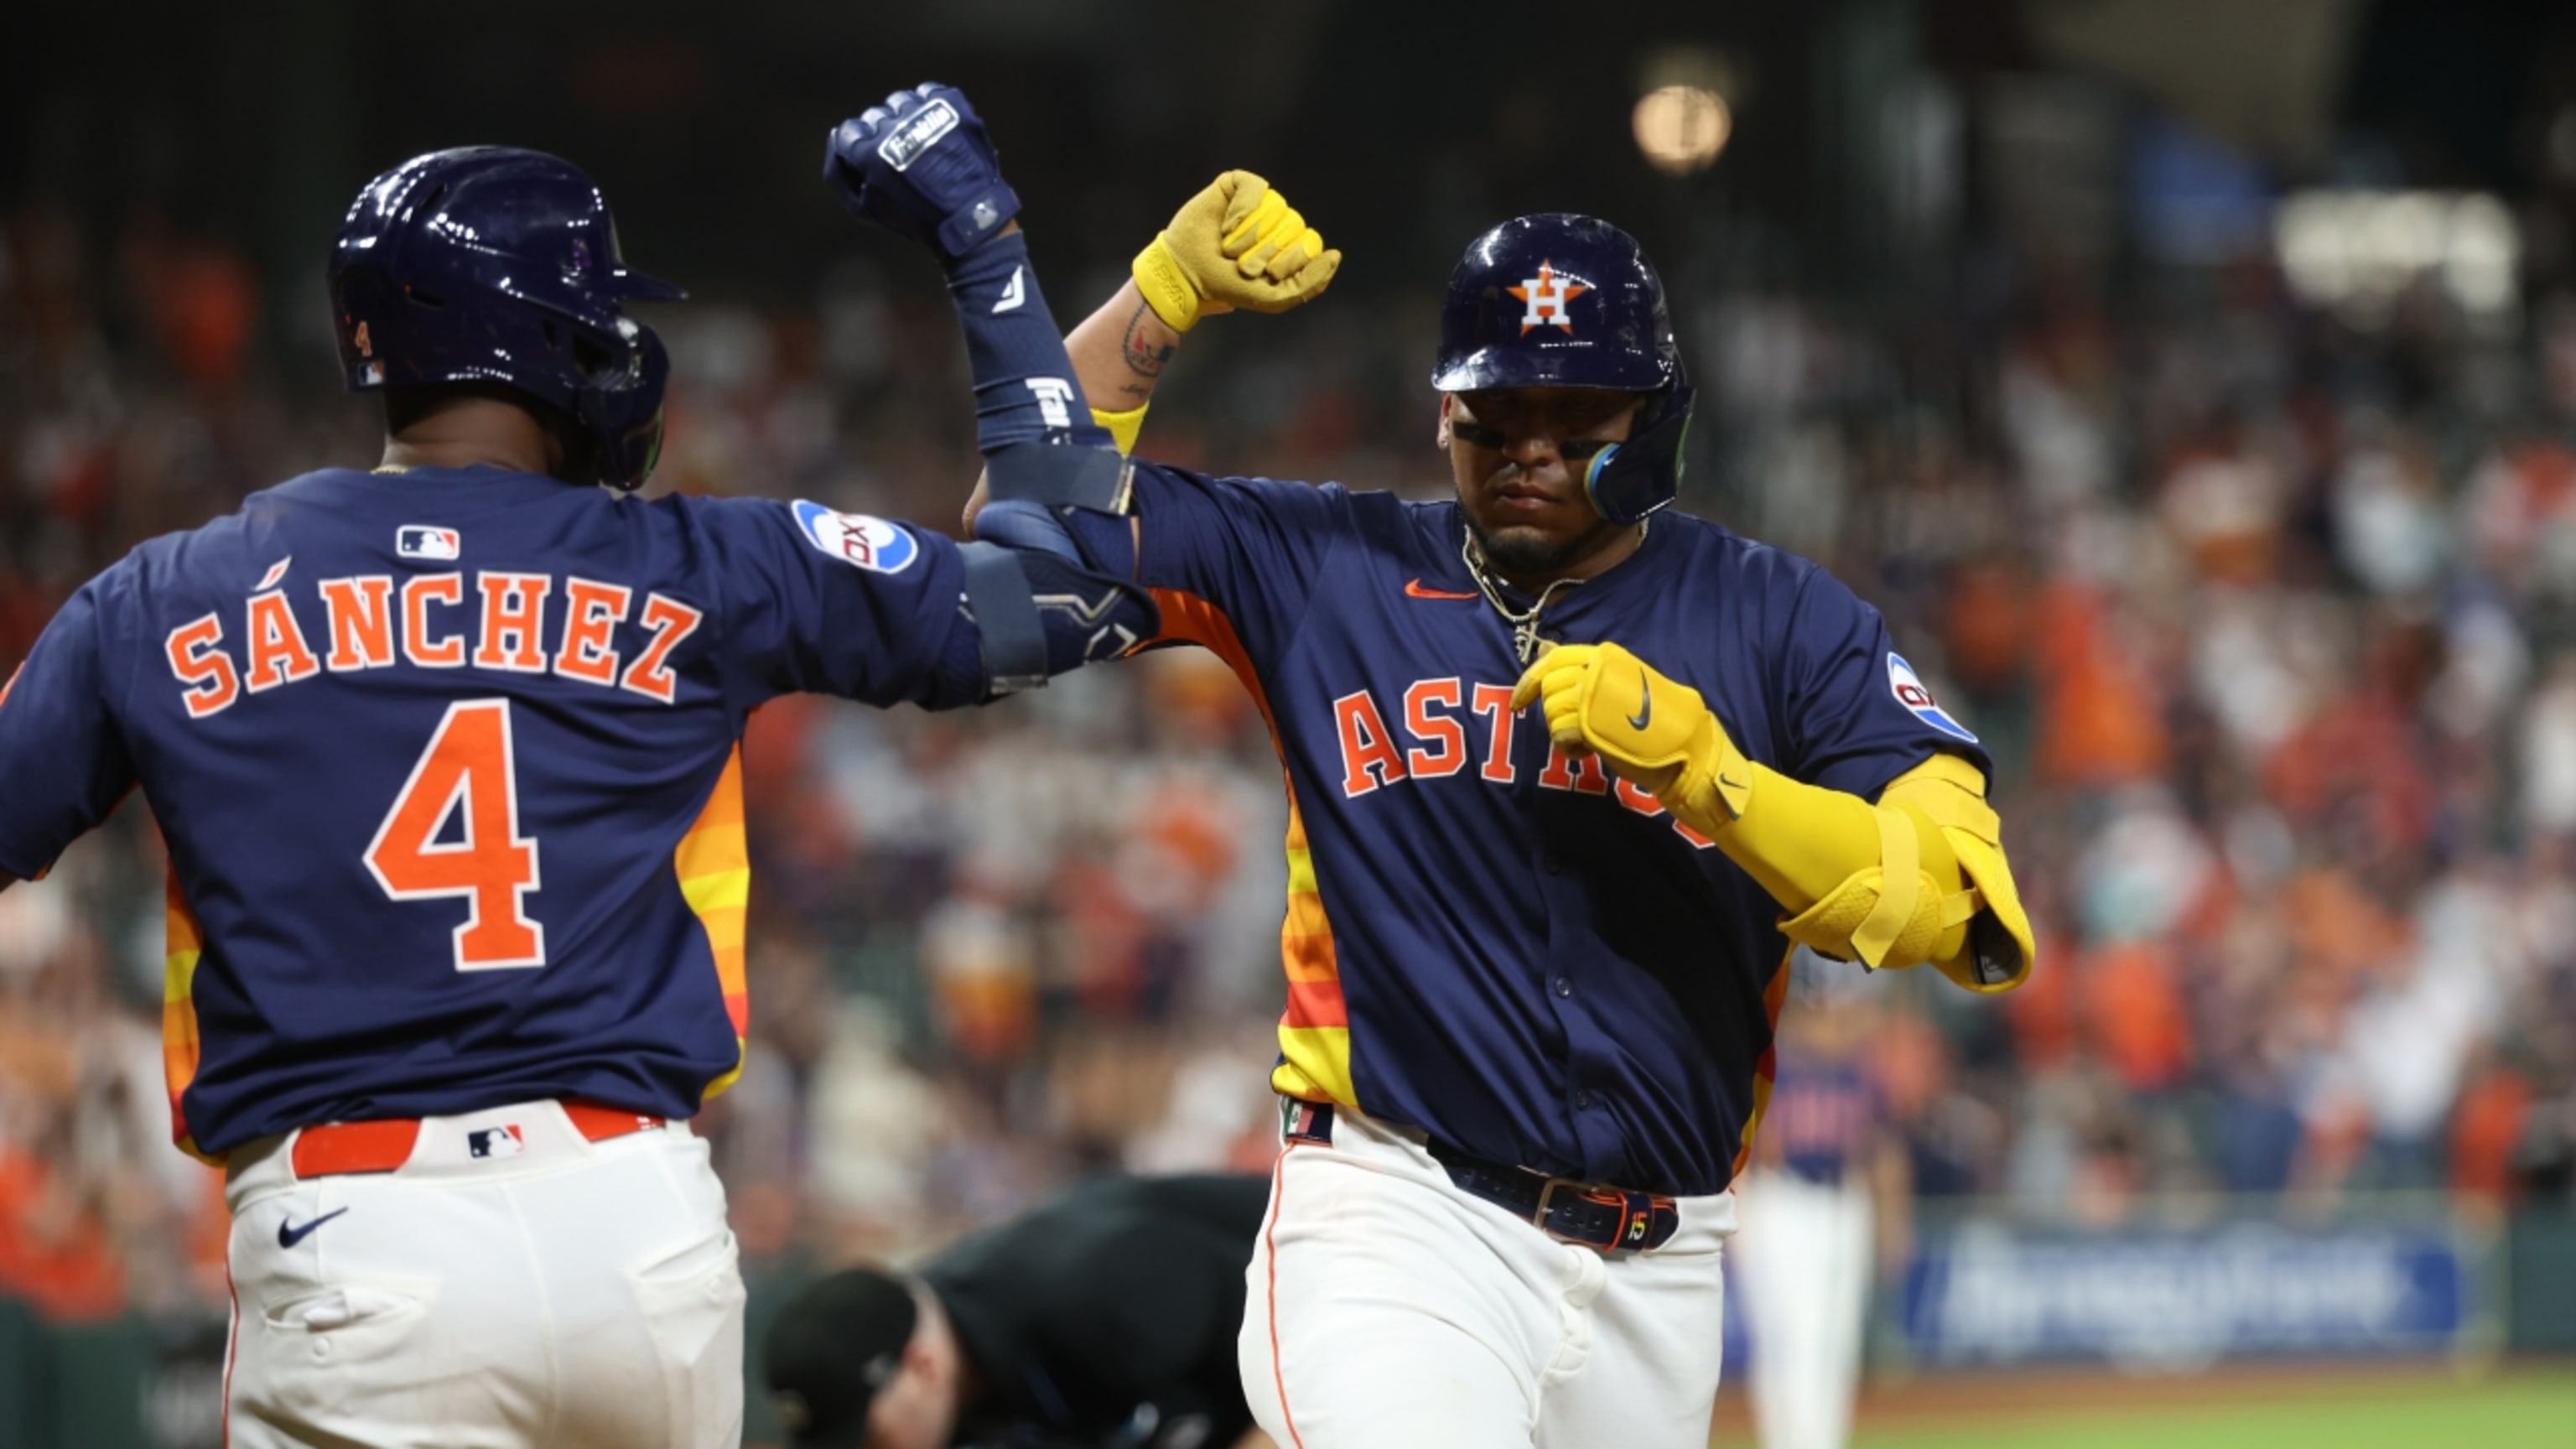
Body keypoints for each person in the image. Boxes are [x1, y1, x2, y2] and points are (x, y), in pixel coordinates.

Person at [828, 84, 2035, 1449]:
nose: (1525, 445)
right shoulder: (1324, 562)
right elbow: (1031, 519)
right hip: (1401, 1211)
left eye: (1570, 411)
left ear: (1653, 419)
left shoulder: (1782, 619)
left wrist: (1713, 775)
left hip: (1666, 1255)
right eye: (1490, 409)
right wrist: (1157, 298)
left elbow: (1957, 901)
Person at [0, 143, 1156, 1448]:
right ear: (549, 339)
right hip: (636, 1231)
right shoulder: (703, 561)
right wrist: (987, 247)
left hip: (357, 1233)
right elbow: (1062, 597)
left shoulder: (163, 596)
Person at [763, 1172, 1276, 1449]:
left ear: (923, 1367)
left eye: (870, 1441)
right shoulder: (952, 1363)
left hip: (1323, 1303)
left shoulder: (1094, 1297)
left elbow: (1303, 1365)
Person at [1731, 958, 1911, 1449]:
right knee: (1791, 1340)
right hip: (1781, 1202)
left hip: (1845, 1203)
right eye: (1828, 1000)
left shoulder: (1860, 1071)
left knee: (1837, 1342)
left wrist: (1893, 1225)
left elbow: (1885, 1151)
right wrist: (1739, 1225)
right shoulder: (1773, 1060)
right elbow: (1746, 1147)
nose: (1841, 1012)